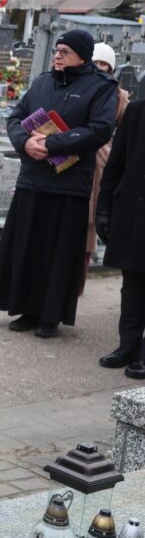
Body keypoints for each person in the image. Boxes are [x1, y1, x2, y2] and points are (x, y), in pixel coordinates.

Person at [0, 30, 116, 338]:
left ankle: (49, 316)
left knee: (57, 253)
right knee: (28, 247)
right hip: (33, 178)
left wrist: (53, 144)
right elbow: (16, 118)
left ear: (82, 56)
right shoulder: (43, 82)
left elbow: (99, 129)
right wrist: (25, 143)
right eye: (57, 50)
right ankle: (26, 309)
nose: (57, 55)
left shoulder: (101, 87)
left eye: (65, 51)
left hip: (68, 183)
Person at [96, 100, 145, 379]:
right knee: (132, 281)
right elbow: (116, 163)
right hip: (134, 210)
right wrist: (104, 208)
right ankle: (128, 345)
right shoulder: (137, 111)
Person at [83, 42, 129, 292]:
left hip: (101, 160)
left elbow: (128, 129)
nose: (100, 68)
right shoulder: (80, 88)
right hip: (74, 157)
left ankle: (79, 279)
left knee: (89, 222)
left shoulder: (119, 96)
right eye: (96, 63)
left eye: (105, 65)